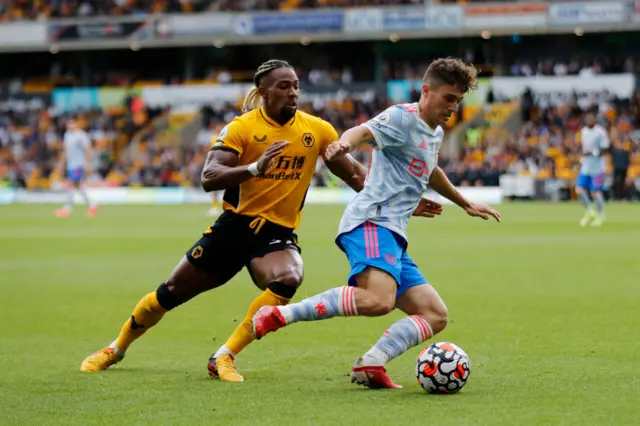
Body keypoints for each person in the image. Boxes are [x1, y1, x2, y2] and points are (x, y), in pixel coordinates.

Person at [79, 59, 442, 380]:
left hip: (276, 234)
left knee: (288, 277)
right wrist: (254, 167)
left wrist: (407, 202)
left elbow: (358, 178)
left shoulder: (316, 130)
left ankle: (225, 355)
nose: (293, 92)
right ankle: (117, 347)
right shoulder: (242, 128)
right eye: (284, 86)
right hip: (233, 228)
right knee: (169, 293)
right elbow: (209, 176)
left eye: (296, 85)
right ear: (263, 92)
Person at [251, 58, 501, 389]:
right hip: (371, 221)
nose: (454, 107)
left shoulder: (436, 132)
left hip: (393, 234)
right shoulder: (401, 117)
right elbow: (364, 131)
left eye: (458, 101)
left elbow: (431, 169)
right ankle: (280, 315)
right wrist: (345, 144)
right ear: (427, 91)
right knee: (379, 300)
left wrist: (463, 201)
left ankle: (371, 364)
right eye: (449, 98)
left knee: (435, 315)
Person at [55, 119, 98, 217]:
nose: (69, 126)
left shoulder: (81, 136)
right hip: (71, 165)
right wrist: (61, 163)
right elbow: (65, 151)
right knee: (77, 186)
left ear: (76, 124)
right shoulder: (67, 135)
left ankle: (67, 209)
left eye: (71, 124)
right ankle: (92, 204)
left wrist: (88, 164)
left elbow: (87, 150)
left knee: (71, 184)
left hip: (79, 165)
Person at [576, 113, 610, 227]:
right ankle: (589, 212)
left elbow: (606, 149)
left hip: (598, 168)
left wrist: (592, 153)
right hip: (586, 166)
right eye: (587, 119)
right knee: (579, 189)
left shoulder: (600, 132)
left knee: (595, 192)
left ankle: (600, 215)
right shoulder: (583, 131)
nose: (589, 121)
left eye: (591, 119)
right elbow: (584, 147)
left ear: (594, 120)